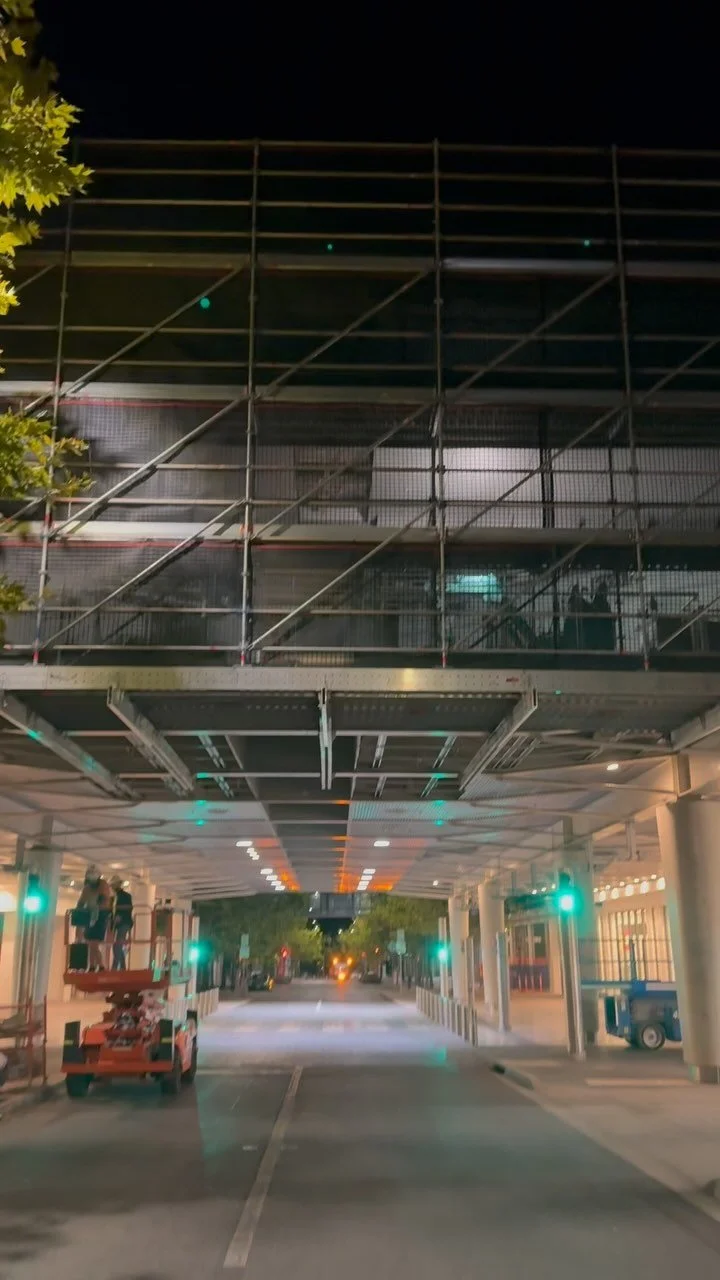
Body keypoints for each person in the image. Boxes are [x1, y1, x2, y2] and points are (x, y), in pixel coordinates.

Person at [76, 866, 112, 970]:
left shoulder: (103, 885)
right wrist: (78, 911)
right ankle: (92, 966)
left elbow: (103, 899)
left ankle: (100, 966)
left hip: (100, 916)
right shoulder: (87, 888)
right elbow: (81, 902)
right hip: (90, 916)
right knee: (90, 943)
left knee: (94, 943)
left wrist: (96, 908)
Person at [111, 876, 134, 970]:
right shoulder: (115, 897)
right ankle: (121, 967)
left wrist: (118, 910)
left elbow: (129, 908)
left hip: (124, 923)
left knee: (117, 946)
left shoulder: (125, 896)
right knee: (117, 946)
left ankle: (116, 967)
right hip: (119, 924)